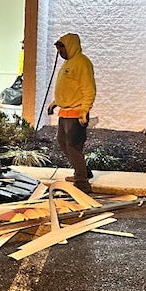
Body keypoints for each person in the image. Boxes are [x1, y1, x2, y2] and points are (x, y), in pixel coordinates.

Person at [47, 33, 96, 193]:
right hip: (65, 112)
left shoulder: (82, 63)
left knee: (74, 147)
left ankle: (82, 183)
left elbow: (89, 89)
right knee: (62, 142)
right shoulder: (68, 63)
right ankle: (83, 170)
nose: (60, 51)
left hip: (76, 114)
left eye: (62, 47)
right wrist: (56, 102)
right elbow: (67, 89)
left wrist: (85, 110)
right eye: (58, 48)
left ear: (71, 46)